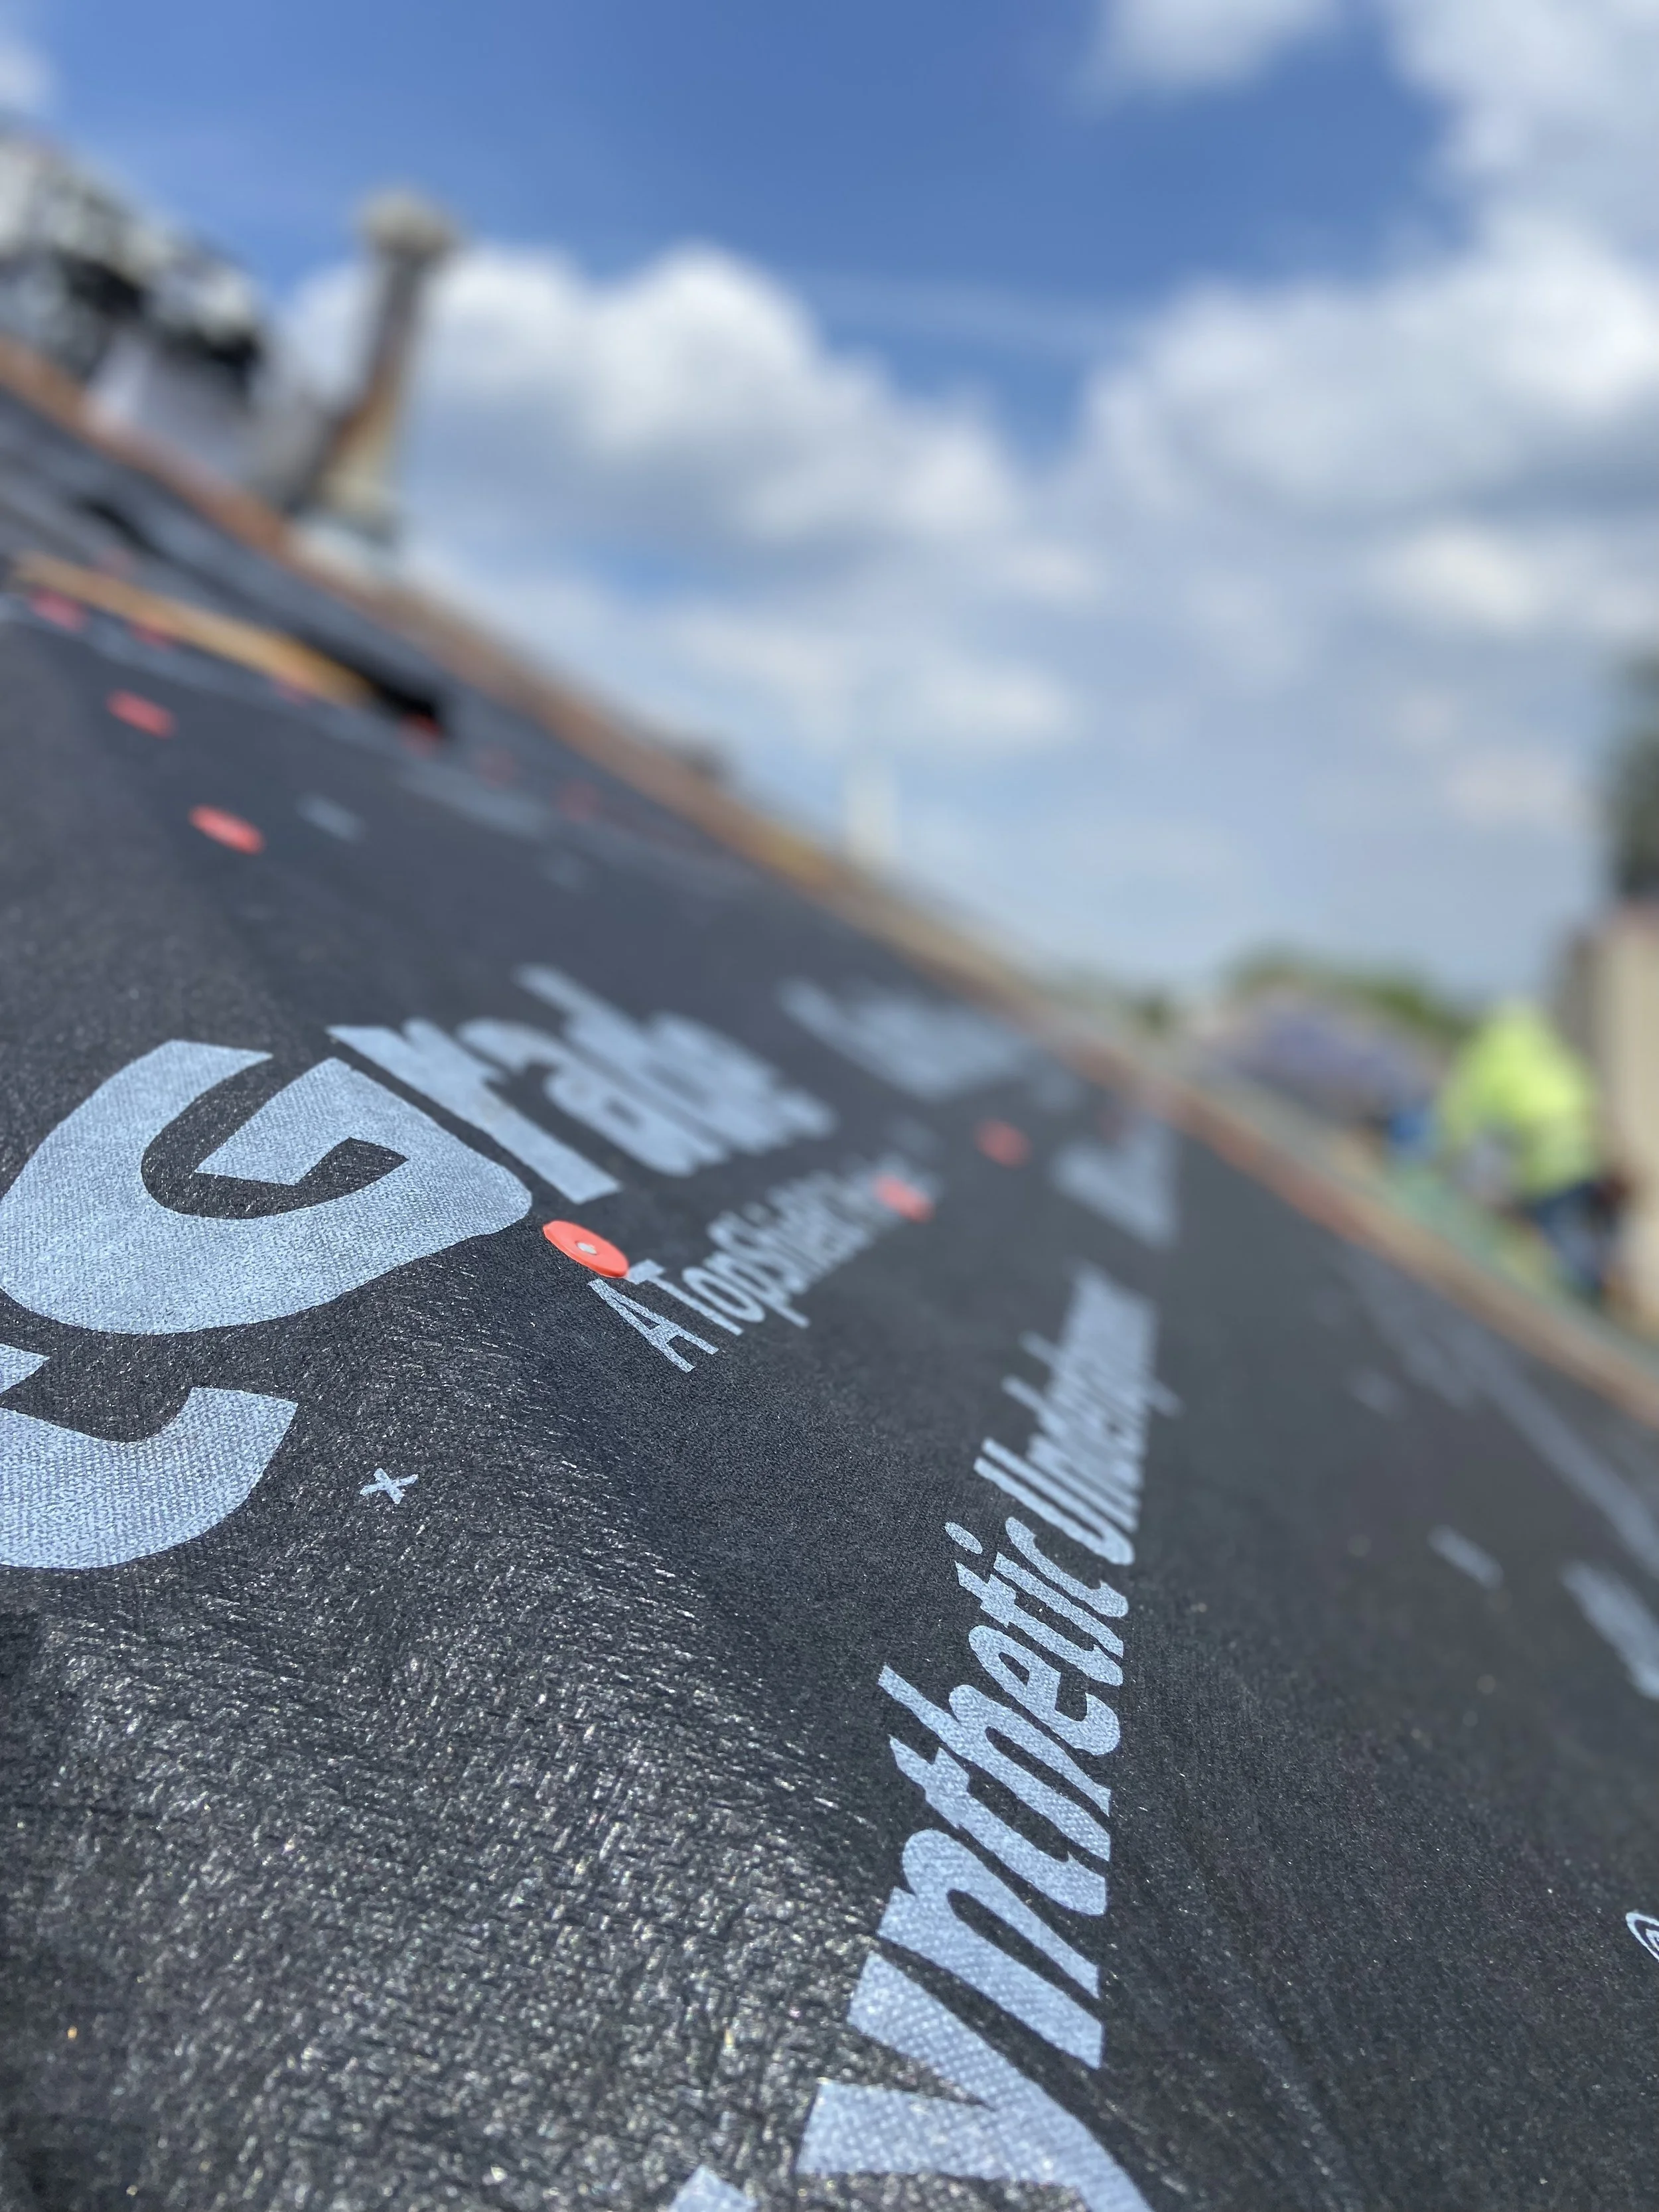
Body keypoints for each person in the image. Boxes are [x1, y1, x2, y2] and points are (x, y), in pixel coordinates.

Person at [1437, 999, 1617, 1303]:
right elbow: (1592, 1101)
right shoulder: (1552, 1053)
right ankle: (1601, 1278)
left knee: (1558, 1231)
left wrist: (1447, 1153)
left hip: (1548, 1160)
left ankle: (1594, 1286)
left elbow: (1462, 1111)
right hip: (1587, 1158)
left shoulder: (1493, 1055)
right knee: (1576, 1225)